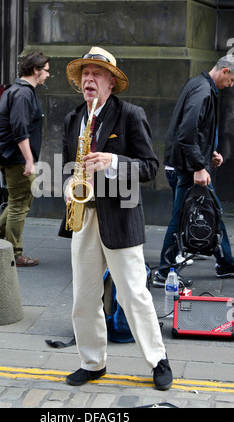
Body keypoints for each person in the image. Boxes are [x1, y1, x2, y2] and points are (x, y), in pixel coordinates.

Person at [59, 47, 173, 390]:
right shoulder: (71, 119)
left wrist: (113, 161)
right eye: (84, 74)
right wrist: (67, 185)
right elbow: (68, 167)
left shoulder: (130, 114)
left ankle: (158, 359)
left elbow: (151, 168)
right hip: (84, 217)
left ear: (111, 82)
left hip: (120, 218)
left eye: (96, 73)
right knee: (84, 296)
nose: (88, 79)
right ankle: (93, 363)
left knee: (133, 293)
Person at [153, 56, 234, 288]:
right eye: (232, 79)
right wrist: (199, 166)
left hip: (188, 163)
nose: (231, 84)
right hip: (189, 168)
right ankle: (164, 270)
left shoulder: (198, 84)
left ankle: (226, 262)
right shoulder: (204, 91)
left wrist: (208, 154)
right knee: (180, 217)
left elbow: (195, 132)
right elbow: (187, 131)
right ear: (225, 70)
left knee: (214, 209)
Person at [0, 51, 50, 267]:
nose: (48, 75)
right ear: (35, 70)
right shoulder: (22, 94)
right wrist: (29, 160)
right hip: (16, 158)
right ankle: (15, 253)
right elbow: (19, 129)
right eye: (46, 70)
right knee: (19, 205)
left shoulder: (17, 91)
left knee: (17, 202)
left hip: (12, 157)